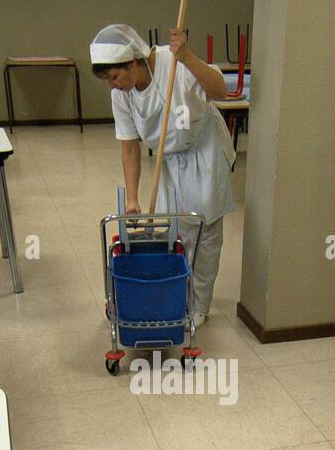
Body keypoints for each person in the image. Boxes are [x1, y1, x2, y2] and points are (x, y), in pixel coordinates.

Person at [90, 24, 236, 328]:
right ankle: (175, 294)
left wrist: (189, 58)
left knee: (204, 231)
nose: (113, 86)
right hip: (168, 159)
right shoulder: (123, 94)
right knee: (177, 232)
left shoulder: (174, 62)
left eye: (115, 77)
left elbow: (221, 91)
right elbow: (129, 146)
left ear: (132, 62)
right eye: (107, 80)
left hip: (202, 149)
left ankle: (198, 306)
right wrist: (132, 199)